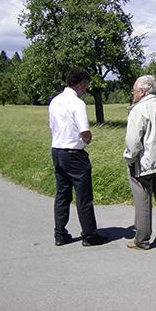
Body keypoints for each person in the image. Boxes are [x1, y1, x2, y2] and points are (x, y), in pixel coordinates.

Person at [48, 67, 106, 247]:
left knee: (62, 194)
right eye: (86, 84)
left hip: (57, 150)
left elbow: (51, 127)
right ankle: (89, 235)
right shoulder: (77, 103)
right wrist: (87, 140)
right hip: (74, 153)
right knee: (83, 196)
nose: (87, 88)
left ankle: (60, 233)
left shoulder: (55, 101)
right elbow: (84, 131)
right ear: (80, 83)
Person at [123, 75, 156, 250]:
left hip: (144, 162)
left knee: (142, 200)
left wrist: (129, 158)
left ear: (141, 91)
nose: (133, 94)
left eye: (134, 90)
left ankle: (142, 239)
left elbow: (132, 141)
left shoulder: (139, 110)